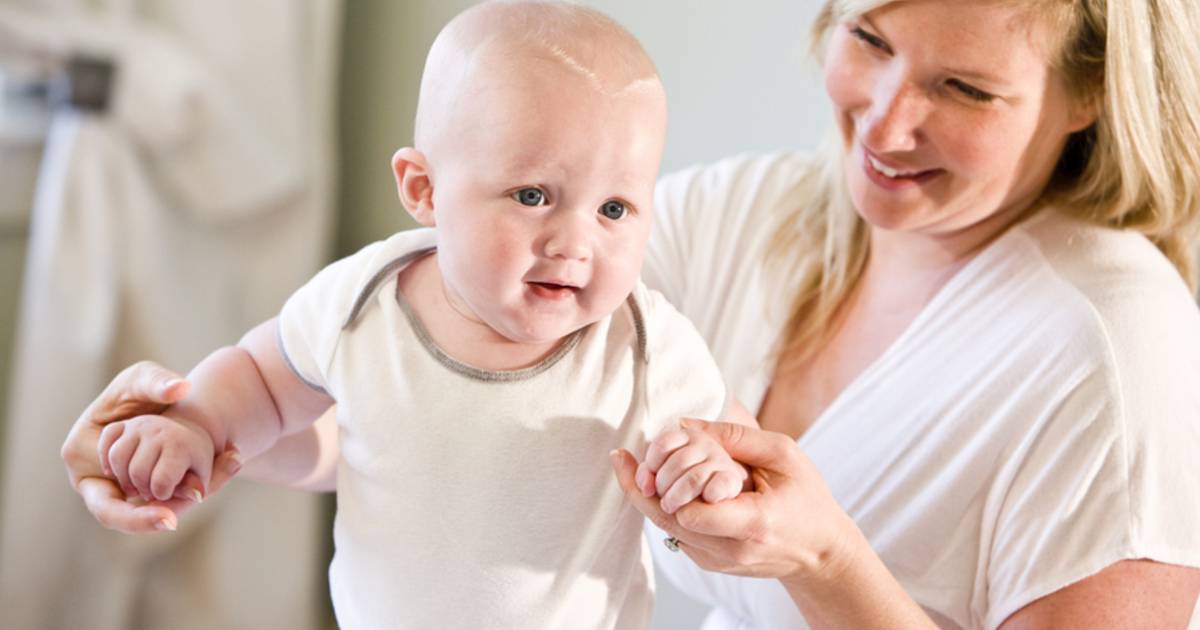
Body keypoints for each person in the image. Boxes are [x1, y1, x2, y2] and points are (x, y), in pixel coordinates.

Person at [63, 0, 1200, 627]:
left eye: (965, 88)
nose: (886, 123)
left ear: (1089, 93)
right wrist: (207, 436)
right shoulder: (760, 215)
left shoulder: (1115, 353)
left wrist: (821, 560)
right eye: (869, 39)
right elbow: (454, 419)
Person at [65, 2, 754, 629]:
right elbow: (260, 377)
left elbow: (730, 447)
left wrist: (710, 472)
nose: (574, 243)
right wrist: (194, 424)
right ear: (424, 190)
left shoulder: (644, 344)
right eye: (534, 195)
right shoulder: (362, 301)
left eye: (613, 209)